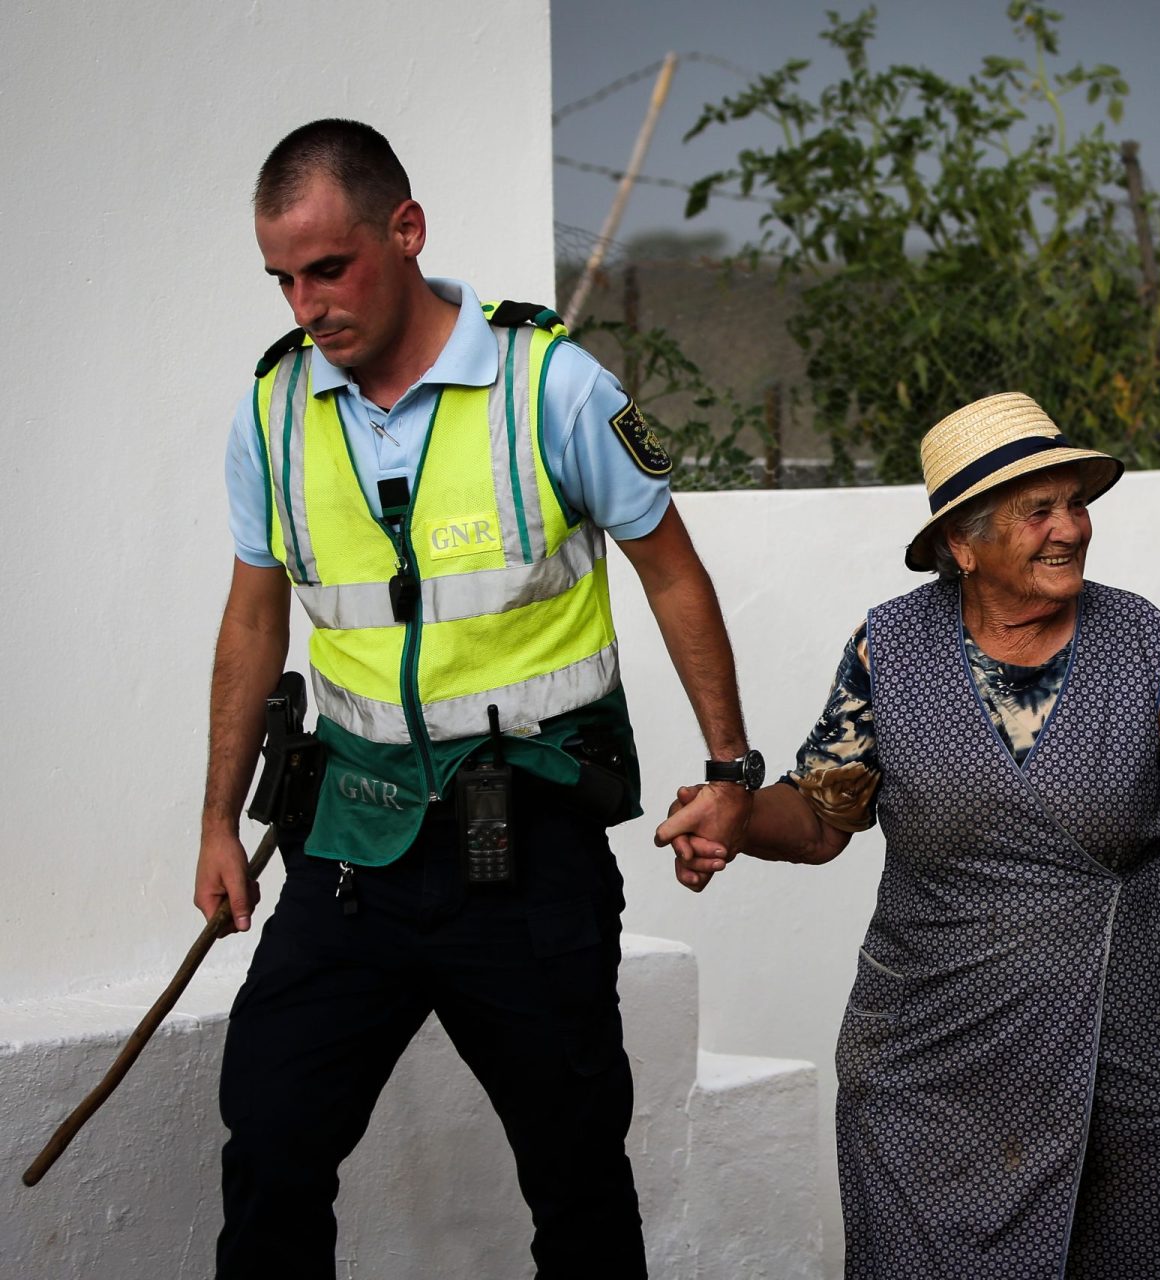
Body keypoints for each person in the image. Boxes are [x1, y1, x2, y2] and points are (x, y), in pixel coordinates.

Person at [197, 119, 757, 1278]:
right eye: (283, 279)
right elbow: (254, 614)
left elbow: (672, 570)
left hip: (527, 850)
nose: (306, 305)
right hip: (348, 844)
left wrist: (731, 766)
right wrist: (216, 818)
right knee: (271, 1141)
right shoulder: (271, 409)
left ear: (405, 231)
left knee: (576, 1178)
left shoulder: (549, 383)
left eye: (330, 268)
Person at [657, 392, 1160, 1279]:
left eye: (1076, 503)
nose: (1071, 528)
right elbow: (827, 815)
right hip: (934, 1058)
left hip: (1132, 1046)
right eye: (1039, 511)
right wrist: (741, 813)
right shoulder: (892, 647)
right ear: (962, 542)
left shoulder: (1144, 642)